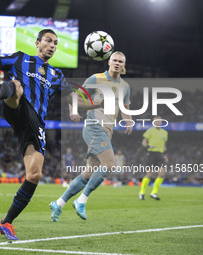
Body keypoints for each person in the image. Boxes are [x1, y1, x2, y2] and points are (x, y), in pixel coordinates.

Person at [0, 28, 102, 240]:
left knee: (34, 175)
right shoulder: (19, 58)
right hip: (16, 106)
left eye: (56, 43)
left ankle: (6, 223)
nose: (52, 46)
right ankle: (0, 91)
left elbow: (74, 100)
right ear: (37, 43)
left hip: (35, 124)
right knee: (17, 86)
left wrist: (100, 102)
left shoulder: (56, 75)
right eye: (48, 41)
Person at [50, 51, 133, 221]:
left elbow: (126, 107)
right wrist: (73, 110)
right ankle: (81, 200)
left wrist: (128, 121)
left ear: (124, 66)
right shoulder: (95, 79)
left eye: (121, 61)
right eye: (114, 60)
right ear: (109, 62)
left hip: (107, 131)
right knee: (110, 164)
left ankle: (58, 203)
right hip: (94, 127)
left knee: (88, 174)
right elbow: (74, 96)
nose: (117, 63)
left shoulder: (125, 86)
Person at [139, 116, 168, 200]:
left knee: (162, 173)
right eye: (156, 121)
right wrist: (148, 146)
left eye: (159, 121)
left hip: (160, 154)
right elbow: (144, 142)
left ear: (161, 122)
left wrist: (165, 155)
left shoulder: (165, 133)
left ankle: (154, 193)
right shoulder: (150, 131)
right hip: (151, 154)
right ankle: (142, 192)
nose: (157, 123)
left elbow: (164, 145)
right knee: (149, 174)